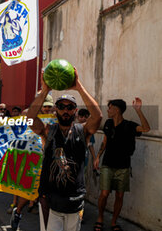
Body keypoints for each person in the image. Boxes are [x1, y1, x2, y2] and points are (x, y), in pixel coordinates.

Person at [10, 69, 102, 231]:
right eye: (61, 106)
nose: (65, 110)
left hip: (75, 202)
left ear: (75, 110)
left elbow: (98, 117)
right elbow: (30, 118)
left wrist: (79, 87)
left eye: (70, 107)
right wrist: (45, 89)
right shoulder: (48, 131)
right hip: (50, 202)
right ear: (56, 109)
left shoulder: (83, 131)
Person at [93, 98, 150, 231]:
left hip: (123, 166)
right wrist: (97, 157)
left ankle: (114, 222)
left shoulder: (129, 125)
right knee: (104, 194)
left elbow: (146, 128)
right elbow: (105, 141)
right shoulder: (107, 123)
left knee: (119, 195)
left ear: (117, 109)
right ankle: (100, 218)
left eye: (110, 107)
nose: (107, 110)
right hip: (107, 164)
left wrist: (138, 111)